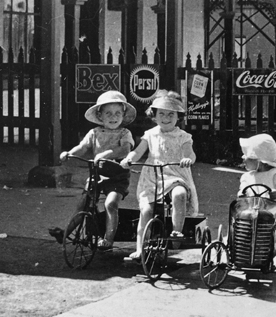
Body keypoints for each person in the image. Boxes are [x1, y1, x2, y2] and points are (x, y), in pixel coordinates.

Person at [121, 90, 198, 260]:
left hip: (174, 174)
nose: (166, 118)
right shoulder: (150, 135)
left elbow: (190, 153)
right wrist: (129, 159)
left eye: (171, 114)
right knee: (146, 210)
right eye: (161, 113)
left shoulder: (183, 136)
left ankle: (176, 231)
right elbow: (138, 152)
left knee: (180, 194)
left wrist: (187, 159)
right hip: (152, 177)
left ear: (178, 116)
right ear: (154, 116)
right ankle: (141, 247)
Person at [60, 90, 136, 250]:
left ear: (123, 115)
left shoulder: (124, 133)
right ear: (100, 116)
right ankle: (66, 233)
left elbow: (125, 150)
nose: (113, 117)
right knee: (83, 203)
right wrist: (69, 154)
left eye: (117, 113)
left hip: (117, 177)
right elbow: (83, 147)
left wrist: (108, 153)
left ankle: (108, 239)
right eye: (108, 113)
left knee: (111, 203)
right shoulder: (94, 133)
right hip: (97, 174)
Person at [238, 134, 276, 251]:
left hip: (274, 215)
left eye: (248, 156)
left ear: (260, 161)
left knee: (274, 229)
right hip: (251, 213)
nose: (243, 158)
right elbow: (242, 192)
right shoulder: (247, 177)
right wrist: (242, 195)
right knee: (241, 225)